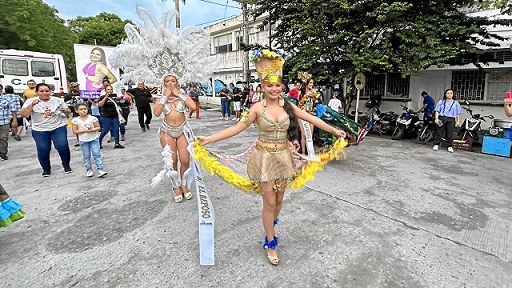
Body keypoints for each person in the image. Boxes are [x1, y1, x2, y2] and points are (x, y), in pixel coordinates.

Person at [196, 49, 346, 266]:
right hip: (264, 158)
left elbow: (311, 118)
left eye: (277, 85)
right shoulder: (257, 108)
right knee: (269, 201)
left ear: (282, 87)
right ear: (263, 87)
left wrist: (334, 131)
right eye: (269, 85)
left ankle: (270, 226)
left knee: (279, 200)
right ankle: (270, 241)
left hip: (283, 157)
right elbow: (236, 128)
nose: (274, 89)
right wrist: (209, 139)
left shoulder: (288, 106)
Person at [153, 75, 196, 202]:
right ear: (164, 84)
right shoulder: (160, 98)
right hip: (166, 131)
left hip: (182, 130)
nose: (170, 83)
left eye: (173, 81)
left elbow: (193, 106)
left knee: (185, 160)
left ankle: (183, 184)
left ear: (177, 83)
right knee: (172, 161)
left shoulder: (183, 96)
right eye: (167, 81)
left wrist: (178, 93)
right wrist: (165, 97)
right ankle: (175, 186)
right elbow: (156, 113)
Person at [20, 83, 73, 177]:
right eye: (41, 91)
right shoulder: (30, 101)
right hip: (40, 130)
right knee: (43, 149)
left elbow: (68, 111)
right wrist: (32, 105)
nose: (44, 93)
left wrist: (65, 110)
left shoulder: (57, 100)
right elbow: (24, 115)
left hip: (58, 127)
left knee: (62, 146)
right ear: (37, 92)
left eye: (47, 91)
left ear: (50, 91)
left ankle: (66, 165)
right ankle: (46, 169)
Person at [71, 103, 108, 178]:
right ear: (76, 111)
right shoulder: (75, 120)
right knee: (86, 155)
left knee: (96, 154)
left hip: (94, 139)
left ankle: (100, 169)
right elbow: (75, 131)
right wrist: (83, 131)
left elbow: (98, 127)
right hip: (83, 140)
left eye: (85, 109)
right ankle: (89, 170)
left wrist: (92, 130)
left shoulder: (92, 118)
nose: (83, 111)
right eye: (81, 109)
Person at [433, 88, 462, 153]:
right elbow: (437, 110)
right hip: (442, 118)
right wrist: (436, 118)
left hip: (451, 119)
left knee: (449, 133)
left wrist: (458, 121)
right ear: (445, 94)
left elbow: (458, 113)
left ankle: (449, 146)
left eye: (451, 93)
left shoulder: (456, 103)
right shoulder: (441, 101)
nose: (449, 95)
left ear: (453, 94)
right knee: (439, 131)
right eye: (448, 93)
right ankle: (436, 144)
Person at [97, 85, 125, 149]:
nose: (109, 91)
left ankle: (117, 143)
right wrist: (105, 98)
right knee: (105, 130)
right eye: (108, 89)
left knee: (116, 129)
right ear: (105, 90)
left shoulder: (113, 97)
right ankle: (99, 141)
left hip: (114, 116)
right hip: (106, 116)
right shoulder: (102, 97)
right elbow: (100, 104)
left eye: (110, 89)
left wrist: (118, 98)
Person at [0, 86, 20, 160]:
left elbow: (13, 109)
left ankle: (3, 153)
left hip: (4, 121)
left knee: (3, 138)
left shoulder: (6, 99)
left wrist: (15, 120)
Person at [65, 82, 83, 146]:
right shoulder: (68, 96)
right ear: (71, 88)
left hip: (84, 112)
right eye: (75, 87)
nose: (77, 88)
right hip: (75, 113)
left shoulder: (83, 93)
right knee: (77, 127)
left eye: (77, 86)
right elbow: (66, 105)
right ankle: (78, 140)